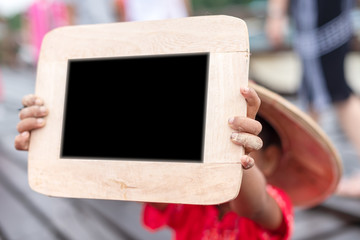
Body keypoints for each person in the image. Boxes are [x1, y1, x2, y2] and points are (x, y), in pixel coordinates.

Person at [15, 83, 342, 239]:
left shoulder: (273, 204)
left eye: (247, 146)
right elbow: (129, 172)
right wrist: (52, 136)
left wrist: (242, 158)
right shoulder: (188, 201)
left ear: (268, 159)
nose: (225, 146)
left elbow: (253, 205)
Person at [265, 0, 360, 196]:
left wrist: (276, 14)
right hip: (317, 16)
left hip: (320, 15)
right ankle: (301, 168)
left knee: (337, 92)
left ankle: (299, 168)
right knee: (313, 94)